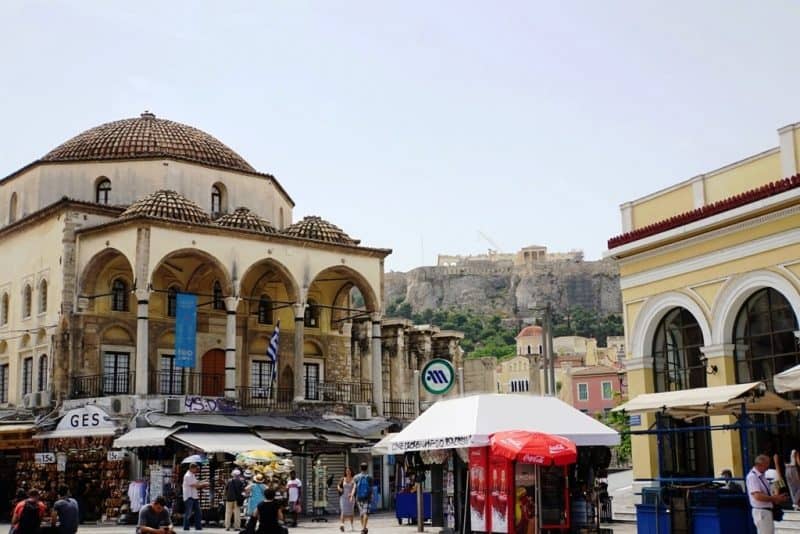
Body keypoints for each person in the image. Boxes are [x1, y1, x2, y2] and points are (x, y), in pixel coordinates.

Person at [747, 454, 788, 533]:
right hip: (762, 511)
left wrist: (777, 498)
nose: (768, 466)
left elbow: (779, 484)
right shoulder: (753, 476)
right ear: (760, 464)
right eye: (767, 464)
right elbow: (757, 496)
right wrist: (776, 498)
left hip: (767, 510)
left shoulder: (762, 475)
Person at [182, 463, 209, 531]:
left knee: (198, 512)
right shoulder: (187, 476)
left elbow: (196, 482)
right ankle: (186, 527)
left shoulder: (192, 475)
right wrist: (204, 484)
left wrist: (203, 481)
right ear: (192, 468)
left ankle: (198, 526)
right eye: (196, 469)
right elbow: (195, 485)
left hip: (194, 497)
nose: (197, 470)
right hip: (189, 497)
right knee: (188, 512)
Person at [350, 463, 372, 534]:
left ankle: (363, 528)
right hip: (367, 498)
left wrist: (351, 495)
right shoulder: (369, 477)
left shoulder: (356, 477)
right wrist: (372, 496)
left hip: (358, 498)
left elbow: (354, 487)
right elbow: (371, 489)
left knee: (361, 513)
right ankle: (364, 528)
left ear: (360, 468)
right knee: (366, 513)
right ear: (367, 468)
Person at [337, 467, 355, 532]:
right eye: (347, 471)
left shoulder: (353, 479)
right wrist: (339, 489)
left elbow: (354, 488)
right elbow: (338, 485)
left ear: (351, 471)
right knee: (343, 511)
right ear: (345, 472)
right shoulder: (342, 479)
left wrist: (351, 495)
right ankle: (342, 525)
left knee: (351, 512)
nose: (348, 472)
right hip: (343, 497)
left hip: (351, 498)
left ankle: (352, 526)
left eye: (349, 471)